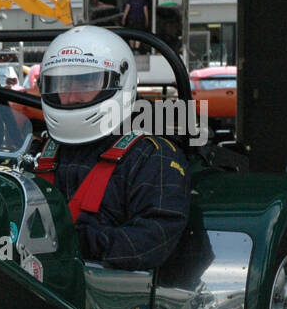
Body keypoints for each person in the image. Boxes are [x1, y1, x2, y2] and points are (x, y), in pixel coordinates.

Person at [33, 25, 189, 271]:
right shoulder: (38, 150)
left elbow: (153, 240)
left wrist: (75, 242)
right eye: (61, 85)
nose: (71, 97)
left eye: (85, 84)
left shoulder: (152, 157)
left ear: (120, 82)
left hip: (109, 297)